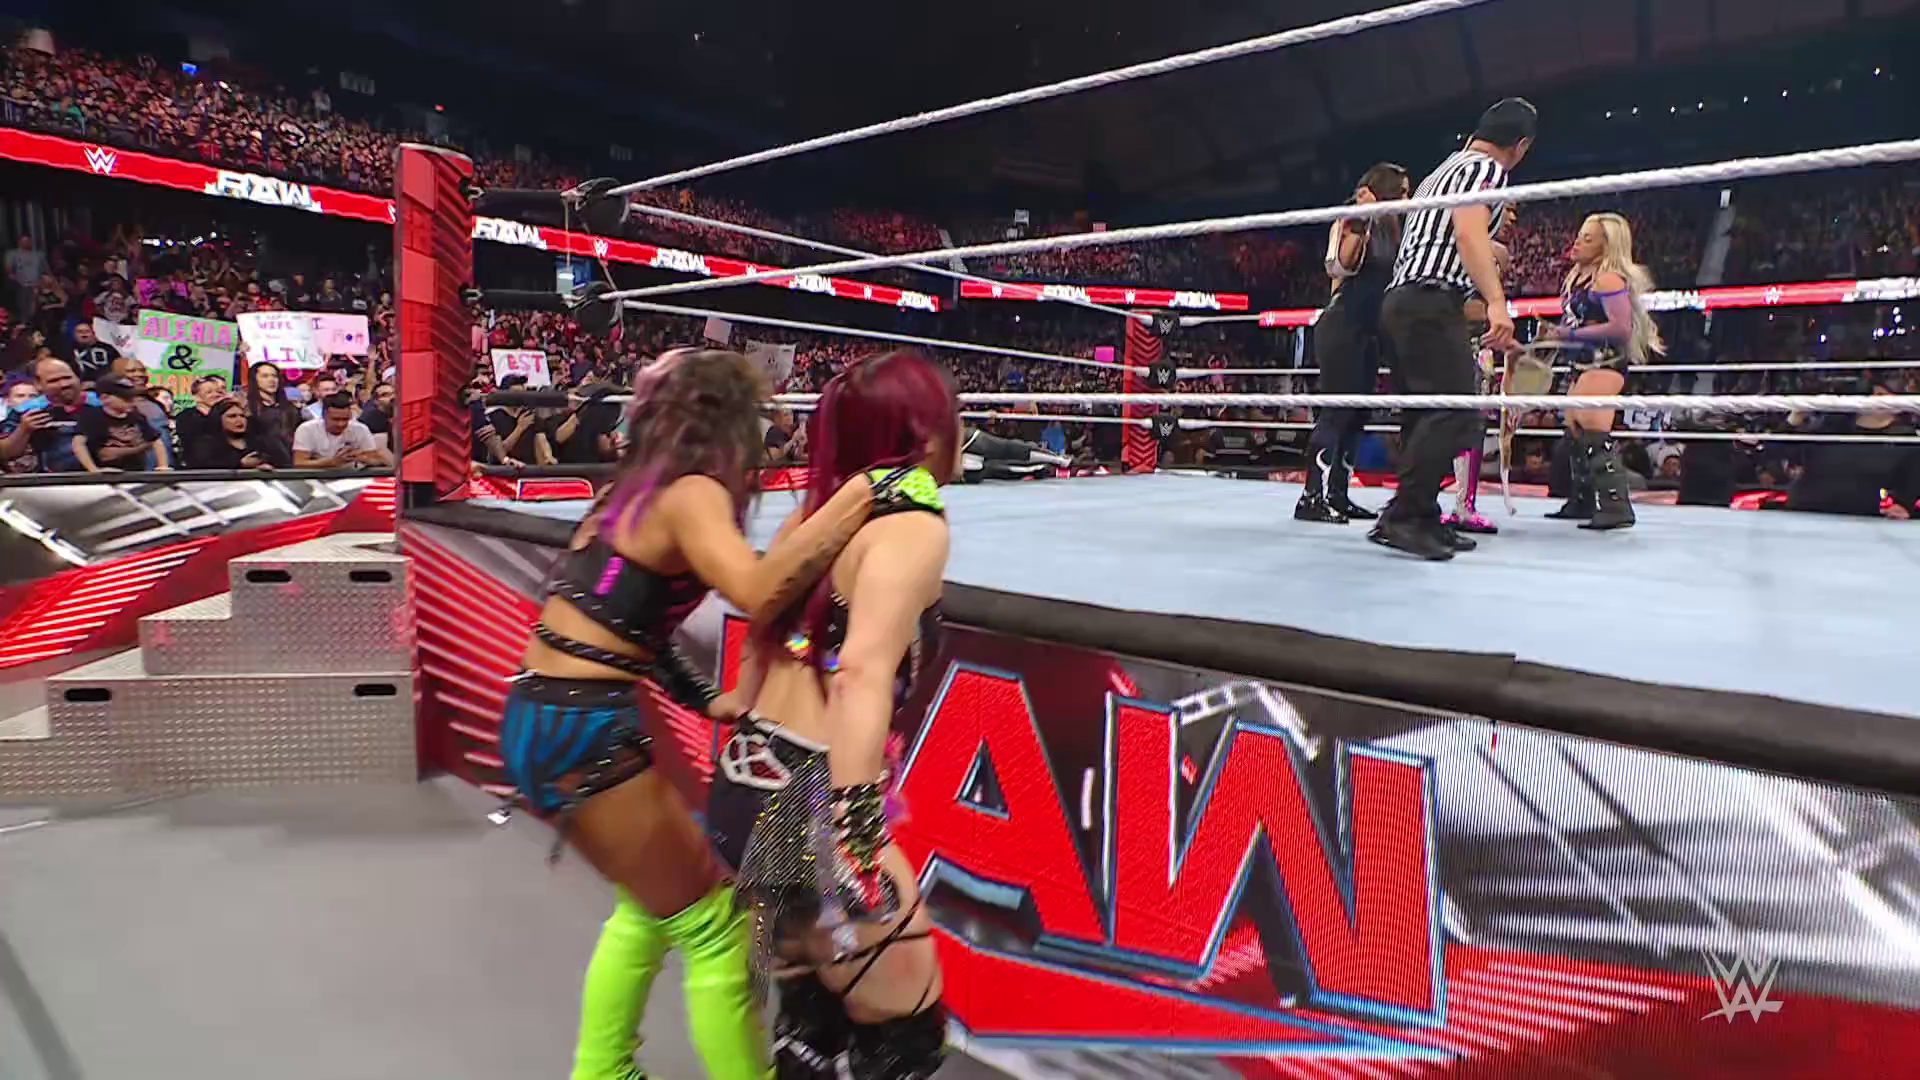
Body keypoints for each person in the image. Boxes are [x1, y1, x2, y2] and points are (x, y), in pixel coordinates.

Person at [501, 348, 905, 1080]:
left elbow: (623, 617)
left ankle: (603, 1071)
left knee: (648, 908)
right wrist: (861, 496)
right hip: (581, 728)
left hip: (545, 715)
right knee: (717, 930)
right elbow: (756, 591)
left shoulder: (628, 492)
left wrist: (703, 698)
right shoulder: (689, 493)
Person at [707, 350, 958, 1080]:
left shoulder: (811, 517)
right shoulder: (910, 528)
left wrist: (742, 699)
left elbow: (762, 616)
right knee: (903, 1042)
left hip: (744, 784)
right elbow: (861, 675)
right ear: (922, 432)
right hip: (812, 806)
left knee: (813, 1019)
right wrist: (857, 832)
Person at [1373, 98, 1535, 561]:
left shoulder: (1440, 172)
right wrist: (1497, 303)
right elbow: (1466, 232)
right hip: (1428, 301)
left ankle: (1418, 515)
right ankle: (1405, 516)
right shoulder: (1488, 169)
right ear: (1521, 145)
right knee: (1456, 411)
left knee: (1426, 414)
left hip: (1403, 300)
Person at [1536, 212, 1665, 530]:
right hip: (1582, 364)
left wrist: (1567, 334)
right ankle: (1582, 500)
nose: (1577, 242)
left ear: (1606, 246)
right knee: (1575, 428)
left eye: (1587, 238)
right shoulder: (1579, 278)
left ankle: (1616, 505)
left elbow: (1621, 328)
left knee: (1592, 426)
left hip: (1605, 362)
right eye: (1579, 235)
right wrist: (1553, 335)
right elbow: (1576, 324)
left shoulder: (1608, 280)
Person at [1297, 162, 1409, 524]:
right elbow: (1339, 266)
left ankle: (1338, 494)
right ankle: (1310, 497)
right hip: (1342, 327)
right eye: (1402, 191)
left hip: (1369, 331)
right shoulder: (1353, 220)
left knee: (1357, 414)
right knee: (1336, 411)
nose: (1407, 198)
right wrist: (1361, 218)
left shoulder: (1395, 229)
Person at [0, 356, 97, 473]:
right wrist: (23, 429)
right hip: (46, 479)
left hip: (102, 476)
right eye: (54, 381)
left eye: (67, 378)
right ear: (38, 384)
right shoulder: (24, 410)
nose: (64, 384)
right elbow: (5, 453)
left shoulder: (101, 403)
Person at [74, 373, 171, 472]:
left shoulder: (137, 416)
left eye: (133, 398)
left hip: (135, 473)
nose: (132, 402)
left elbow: (156, 441)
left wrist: (163, 466)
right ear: (105, 398)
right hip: (103, 474)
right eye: (126, 399)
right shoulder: (92, 417)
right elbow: (78, 444)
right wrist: (94, 470)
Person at [292, 392, 391, 468]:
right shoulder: (306, 429)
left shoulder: (360, 429)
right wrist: (332, 462)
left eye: (345, 419)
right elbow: (299, 463)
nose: (341, 424)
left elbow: (377, 460)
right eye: (335, 419)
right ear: (323, 415)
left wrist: (362, 458)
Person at [190, 399, 292, 470]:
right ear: (218, 419)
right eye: (232, 416)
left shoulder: (262, 442)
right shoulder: (206, 444)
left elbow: (284, 464)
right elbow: (204, 467)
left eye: (242, 416)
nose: (239, 420)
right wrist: (240, 464)